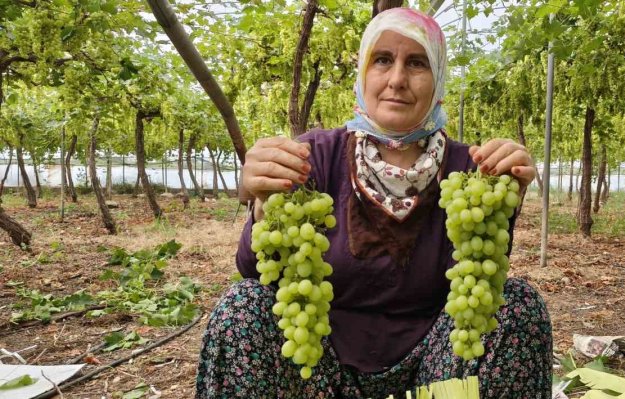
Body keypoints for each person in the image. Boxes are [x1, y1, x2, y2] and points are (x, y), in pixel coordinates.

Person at [196, 8, 552, 399]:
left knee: (519, 305)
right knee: (241, 305)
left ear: (438, 79)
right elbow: (255, 272)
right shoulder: (311, 156)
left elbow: (483, 277)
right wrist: (262, 203)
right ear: (363, 74)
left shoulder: (472, 170)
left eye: (416, 63)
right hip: (319, 368)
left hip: (437, 369)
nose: (397, 79)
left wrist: (506, 199)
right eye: (382, 60)